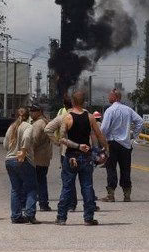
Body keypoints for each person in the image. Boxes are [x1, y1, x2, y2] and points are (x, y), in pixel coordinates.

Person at [46, 90, 107, 226]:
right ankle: (88, 218)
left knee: (67, 187)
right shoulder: (90, 117)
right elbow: (99, 135)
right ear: (84, 102)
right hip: (86, 157)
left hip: (71, 156)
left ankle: (61, 217)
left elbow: (62, 138)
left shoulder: (67, 117)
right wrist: (105, 150)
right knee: (87, 187)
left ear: (72, 102)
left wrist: (77, 146)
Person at [99, 89, 143, 203]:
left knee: (111, 168)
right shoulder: (128, 110)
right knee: (125, 169)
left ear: (115, 97)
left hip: (112, 143)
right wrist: (134, 135)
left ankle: (111, 195)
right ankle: (127, 195)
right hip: (125, 144)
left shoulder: (110, 110)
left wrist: (102, 141)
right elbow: (140, 121)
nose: (108, 97)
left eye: (110, 95)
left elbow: (103, 128)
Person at [4, 107, 37, 224]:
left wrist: (12, 149)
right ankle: (30, 214)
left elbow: (5, 145)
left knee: (15, 189)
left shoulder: (11, 127)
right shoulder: (28, 126)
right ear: (28, 117)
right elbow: (27, 137)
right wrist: (23, 150)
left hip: (9, 160)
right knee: (31, 188)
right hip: (23, 160)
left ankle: (16, 215)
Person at [30, 105, 52, 212]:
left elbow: (34, 140)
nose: (31, 113)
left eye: (33, 111)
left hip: (37, 157)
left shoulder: (38, 124)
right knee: (42, 180)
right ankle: (44, 203)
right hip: (44, 157)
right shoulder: (45, 122)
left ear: (39, 112)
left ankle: (40, 203)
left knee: (37, 181)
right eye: (30, 111)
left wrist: (27, 151)